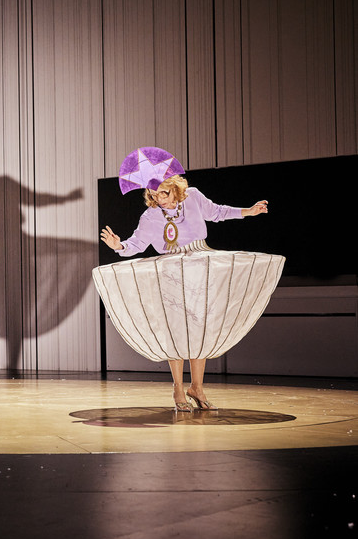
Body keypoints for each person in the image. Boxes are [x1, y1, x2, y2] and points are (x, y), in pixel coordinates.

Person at [97, 165, 275, 412]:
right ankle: (178, 389)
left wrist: (249, 211)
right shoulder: (151, 216)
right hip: (172, 271)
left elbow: (217, 212)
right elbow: (136, 244)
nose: (160, 198)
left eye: (164, 193)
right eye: (154, 194)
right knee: (177, 329)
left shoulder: (193, 197)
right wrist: (119, 246)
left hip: (200, 265)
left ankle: (197, 388)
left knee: (199, 328)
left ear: (174, 187)